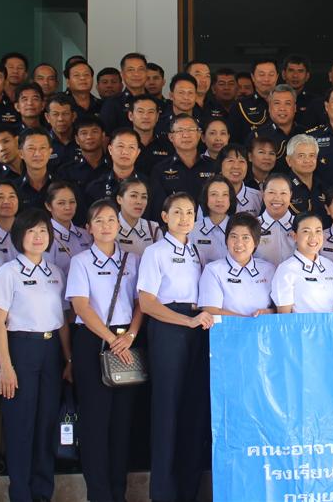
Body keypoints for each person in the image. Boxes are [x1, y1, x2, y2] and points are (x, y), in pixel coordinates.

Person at [0, 209, 71, 502]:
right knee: (21, 426)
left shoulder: (55, 272)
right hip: (20, 350)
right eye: (31, 231)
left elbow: (62, 320)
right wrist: (5, 367)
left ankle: (42, 492)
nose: (38, 237)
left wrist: (68, 359)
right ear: (19, 236)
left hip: (50, 353)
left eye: (43, 232)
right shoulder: (8, 273)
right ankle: (20, 494)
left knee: (47, 424)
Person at [137, 192, 214, 502]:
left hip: (195, 327)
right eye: (178, 212)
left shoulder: (195, 250)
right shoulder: (155, 252)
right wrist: (185, 322)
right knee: (166, 411)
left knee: (191, 411)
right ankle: (163, 493)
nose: (185, 218)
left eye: (190, 213)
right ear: (164, 217)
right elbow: (147, 303)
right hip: (170, 328)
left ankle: (187, 490)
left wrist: (195, 322)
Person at [66, 199, 144, 502]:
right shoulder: (81, 262)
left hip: (128, 341)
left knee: (122, 424)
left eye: (111, 220)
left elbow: (141, 302)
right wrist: (112, 339)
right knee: (96, 423)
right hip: (95, 342)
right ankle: (98, 494)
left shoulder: (133, 260)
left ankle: (118, 492)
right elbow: (80, 306)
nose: (106, 226)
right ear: (89, 228)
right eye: (98, 221)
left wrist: (132, 335)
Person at [199, 213, 276, 317]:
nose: (239, 243)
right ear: (226, 240)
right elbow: (210, 310)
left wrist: (268, 312)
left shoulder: (269, 269)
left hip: (264, 330)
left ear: (256, 242)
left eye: (245, 237)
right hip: (227, 331)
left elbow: (281, 308)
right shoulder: (213, 270)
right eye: (234, 236)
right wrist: (248, 322)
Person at [148, 114, 217, 220]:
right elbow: (158, 208)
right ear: (171, 137)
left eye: (190, 130)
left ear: (199, 134)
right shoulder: (160, 170)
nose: (186, 135)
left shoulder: (214, 167)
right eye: (180, 131)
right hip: (174, 228)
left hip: (209, 230)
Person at [273, 212, 333, 314]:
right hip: (300, 329)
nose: (313, 237)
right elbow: (284, 317)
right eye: (306, 231)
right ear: (294, 236)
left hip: (330, 329)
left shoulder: (329, 266)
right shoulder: (286, 269)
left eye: (318, 231)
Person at [45, 181, 92, 276]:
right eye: (61, 203)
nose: (68, 207)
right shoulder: (44, 236)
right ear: (49, 206)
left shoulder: (86, 234)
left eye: (72, 202)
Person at [99, 53, 151, 133]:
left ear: (147, 73)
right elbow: (105, 138)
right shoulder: (112, 104)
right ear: (122, 74)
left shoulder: (156, 102)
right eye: (130, 70)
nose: (136, 74)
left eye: (141, 69)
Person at [115, 178, 161, 262]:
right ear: (119, 199)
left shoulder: (153, 229)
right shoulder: (108, 227)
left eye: (144, 197)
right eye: (133, 196)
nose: (139, 202)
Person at [192, 175, 235, 264]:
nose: (220, 199)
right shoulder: (192, 230)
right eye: (214, 194)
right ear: (206, 198)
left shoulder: (238, 228)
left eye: (225, 194)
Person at [255, 174, 296, 267]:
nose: (277, 198)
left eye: (283, 193)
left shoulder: (301, 225)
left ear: (291, 195)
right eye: (271, 192)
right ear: (263, 194)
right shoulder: (251, 225)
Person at [216, 144, 263, 216]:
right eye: (230, 160)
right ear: (220, 166)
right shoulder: (210, 197)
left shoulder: (258, 197)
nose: (236, 166)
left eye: (241, 161)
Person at [286, 135, 325, 216]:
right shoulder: (282, 188)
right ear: (289, 160)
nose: (307, 160)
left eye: (311, 155)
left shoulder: (323, 187)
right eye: (301, 156)